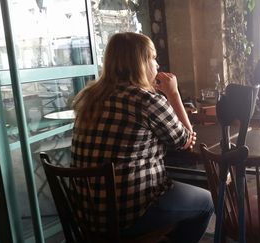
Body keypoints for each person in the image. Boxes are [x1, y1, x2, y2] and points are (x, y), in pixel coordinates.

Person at [71, 32, 214, 242]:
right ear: (140, 63)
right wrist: (173, 94)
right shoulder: (146, 99)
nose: (157, 65)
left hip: (86, 215)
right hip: (128, 214)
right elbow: (185, 141)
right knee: (206, 202)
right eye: (153, 58)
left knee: (177, 197)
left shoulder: (89, 97)